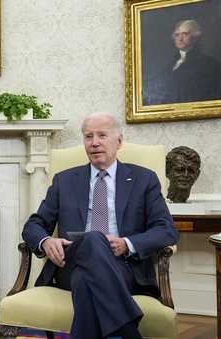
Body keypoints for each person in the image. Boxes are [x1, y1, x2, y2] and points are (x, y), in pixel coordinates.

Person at [22, 113, 179, 339]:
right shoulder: (64, 180)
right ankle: (129, 331)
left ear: (119, 142)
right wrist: (46, 242)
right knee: (94, 239)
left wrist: (127, 243)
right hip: (71, 263)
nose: (94, 142)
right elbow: (34, 225)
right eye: (88, 136)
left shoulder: (144, 179)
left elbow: (166, 230)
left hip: (124, 267)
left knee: (85, 280)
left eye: (102, 135)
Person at [147, 19, 221, 105]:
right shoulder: (168, 63)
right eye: (177, 35)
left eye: (185, 34)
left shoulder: (209, 63)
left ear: (195, 37)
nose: (180, 38)